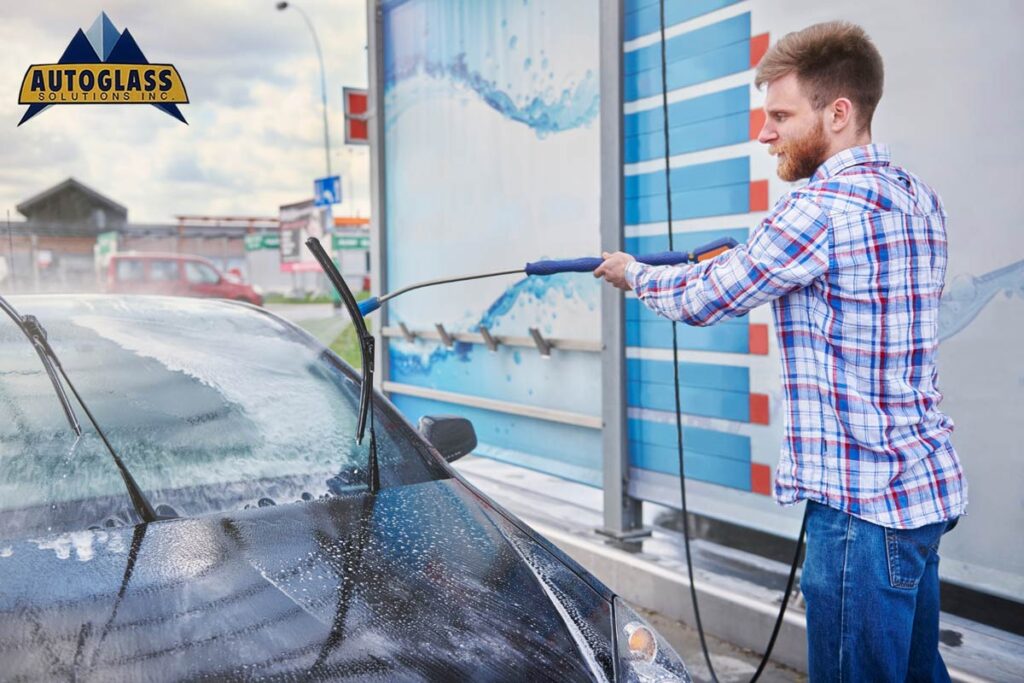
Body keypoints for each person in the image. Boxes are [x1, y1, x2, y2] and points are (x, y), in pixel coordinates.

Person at [595, 21, 966, 682]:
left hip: (859, 516)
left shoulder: (816, 210)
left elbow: (708, 296)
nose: (764, 133)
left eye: (780, 115)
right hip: (920, 500)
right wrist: (739, 261)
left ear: (839, 112)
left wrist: (635, 274)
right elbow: (778, 273)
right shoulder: (919, 199)